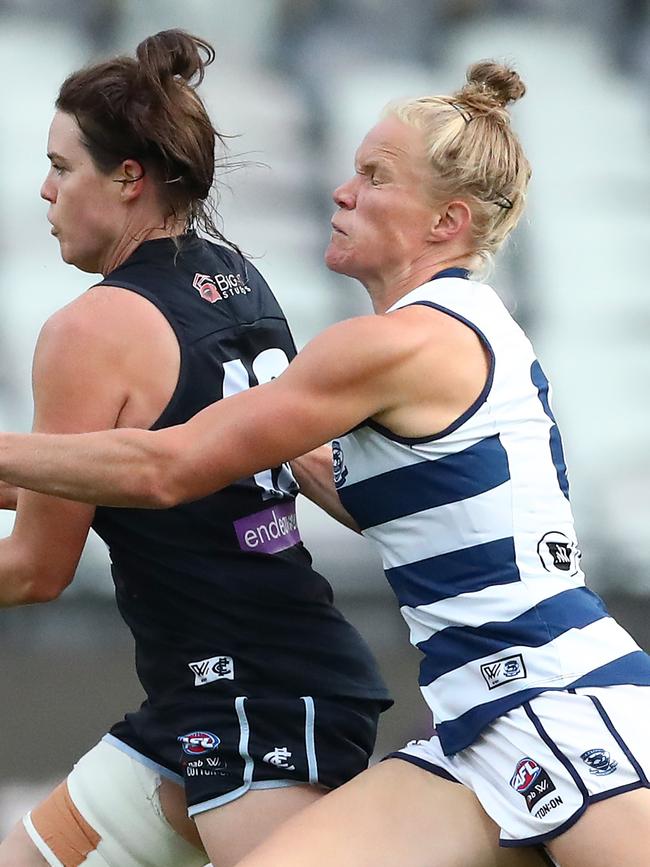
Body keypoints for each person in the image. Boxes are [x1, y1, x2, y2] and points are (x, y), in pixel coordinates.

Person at [0, 58, 648, 867]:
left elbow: (166, 467)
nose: (343, 193)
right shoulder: (432, 331)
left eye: (375, 177)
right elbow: (248, 461)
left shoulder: (395, 344)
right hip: (467, 721)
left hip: (554, 697)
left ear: (445, 222)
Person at [0, 29, 393, 867]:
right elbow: (127, 475)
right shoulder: (236, 272)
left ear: (128, 178)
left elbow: (38, 565)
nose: (45, 190)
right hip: (223, 690)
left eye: (63, 167)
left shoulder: (90, 328)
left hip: (251, 696)